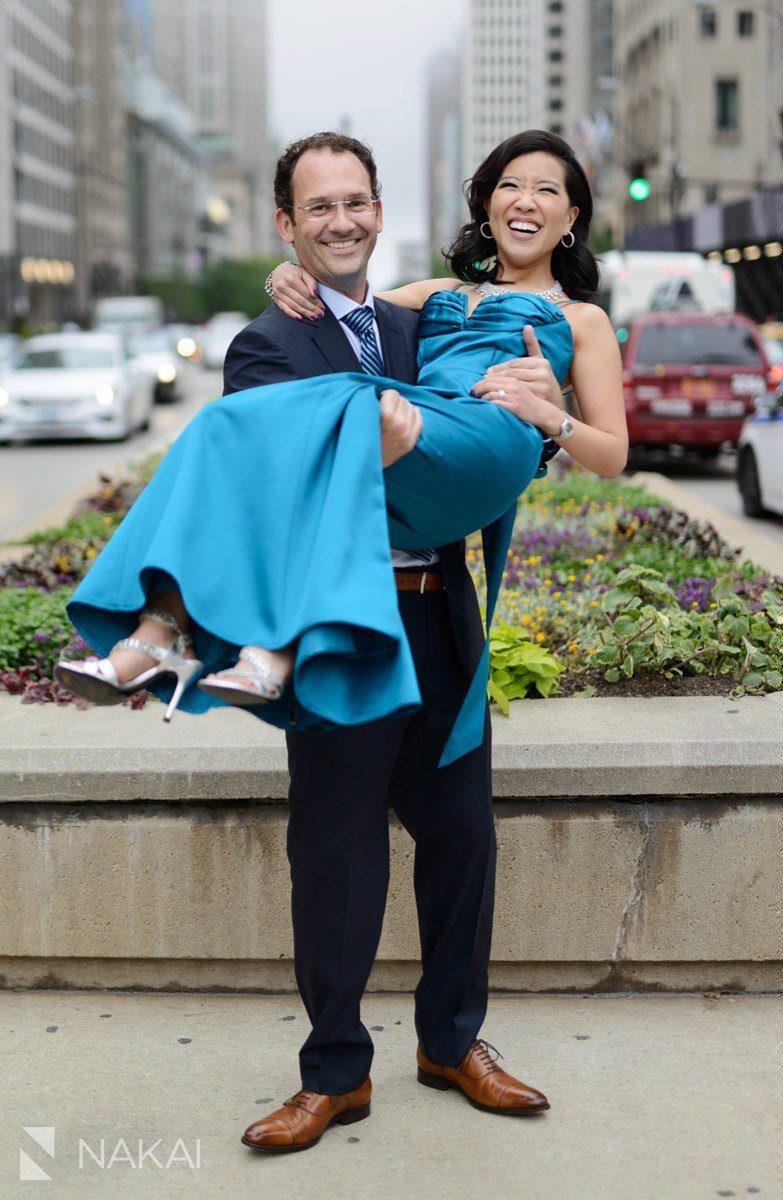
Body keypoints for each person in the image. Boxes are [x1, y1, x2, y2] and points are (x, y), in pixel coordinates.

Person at [56, 128, 627, 1152]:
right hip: (339, 624)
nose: (341, 222)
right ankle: (334, 1073)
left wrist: (540, 415)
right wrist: (363, 405)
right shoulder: (269, 338)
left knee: (462, 841)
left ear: (378, 205)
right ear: (289, 224)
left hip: (439, 610)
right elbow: (271, 482)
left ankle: (454, 1043)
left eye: (355, 202)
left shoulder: (421, 322)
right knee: (335, 852)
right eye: (318, 209)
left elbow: (563, 440)